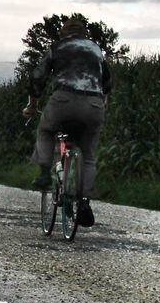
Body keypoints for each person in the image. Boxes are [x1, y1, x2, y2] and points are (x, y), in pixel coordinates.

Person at [21, 17, 111, 226]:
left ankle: (44, 173)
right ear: (84, 34)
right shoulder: (96, 50)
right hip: (94, 105)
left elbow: (37, 78)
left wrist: (32, 106)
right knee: (87, 154)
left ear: (63, 34)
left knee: (46, 130)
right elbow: (107, 83)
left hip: (64, 100)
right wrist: (99, 102)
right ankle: (84, 201)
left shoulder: (57, 47)